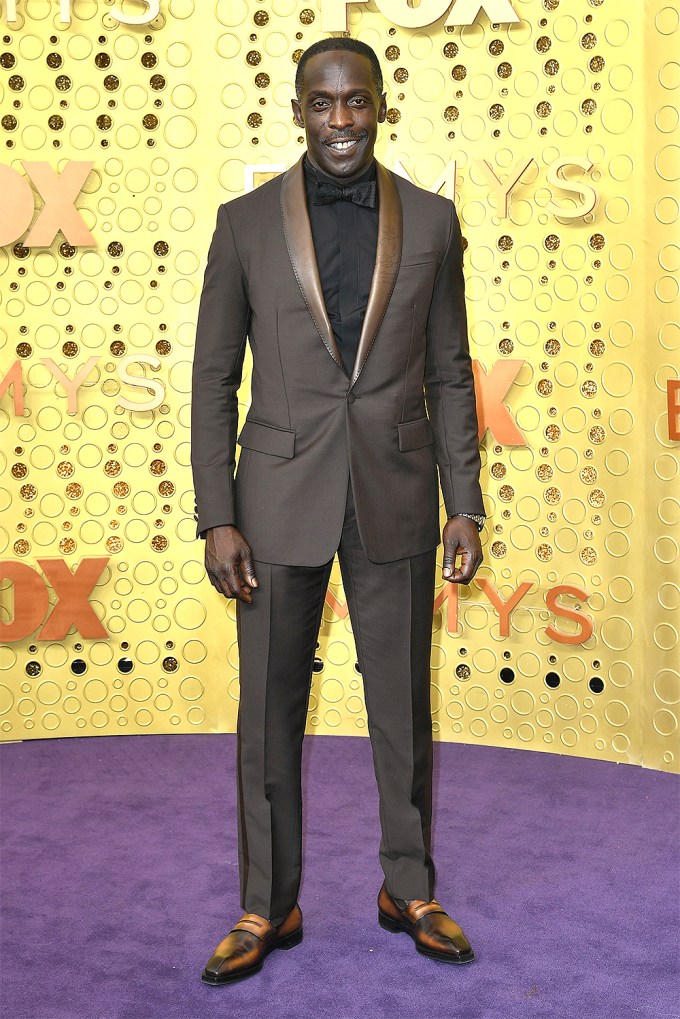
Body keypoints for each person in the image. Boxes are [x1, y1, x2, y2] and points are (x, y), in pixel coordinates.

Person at [190, 37, 485, 985]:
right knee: (267, 712)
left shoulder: (433, 221)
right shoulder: (242, 225)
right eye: (323, 103)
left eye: (357, 100)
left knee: (403, 704)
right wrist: (216, 514)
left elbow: (450, 371)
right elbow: (212, 378)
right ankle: (267, 904)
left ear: (381, 105)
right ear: (298, 111)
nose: (341, 120)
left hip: (396, 490)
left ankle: (410, 888)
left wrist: (465, 502)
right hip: (274, 499)